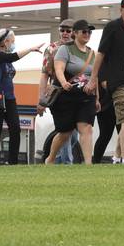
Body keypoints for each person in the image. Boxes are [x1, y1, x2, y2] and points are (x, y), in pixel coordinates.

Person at [86, 0, 124, 164]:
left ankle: (117, 156)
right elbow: (101, 54)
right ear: (121, 10)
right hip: (118, 81)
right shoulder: (112, 27)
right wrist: (95, 79)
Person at [0, 29, 43, 165]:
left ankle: (13, 162)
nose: (13, 44)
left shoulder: (5, 56)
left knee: (15, 128)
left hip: (9, 97)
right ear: (5, 41)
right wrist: (30, 49)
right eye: (13, 41)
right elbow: (11, 57)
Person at [44, 20, 98, 165]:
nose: (87, 34)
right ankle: (50, 158)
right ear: (76, 33)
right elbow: (59, 68)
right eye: (84, 32)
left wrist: (97, 97)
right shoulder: (65, 49)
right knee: (65, 132)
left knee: (86, 128)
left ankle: (88, 163)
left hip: (86, 97)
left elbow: (95, 76)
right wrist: (63, 82)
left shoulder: (93, 53)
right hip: (66, 96)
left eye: (89, 32)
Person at [38, 19, 79, 164]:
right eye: (62, 30)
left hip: (77, 95)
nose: (65, 33)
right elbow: (44, 75)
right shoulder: (52, 49)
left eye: (68, 30)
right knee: (65, 132)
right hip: (59, 95)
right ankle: (67, 163)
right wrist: (41, 100)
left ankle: (55, 161)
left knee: (74, 136)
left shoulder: (80, 48)